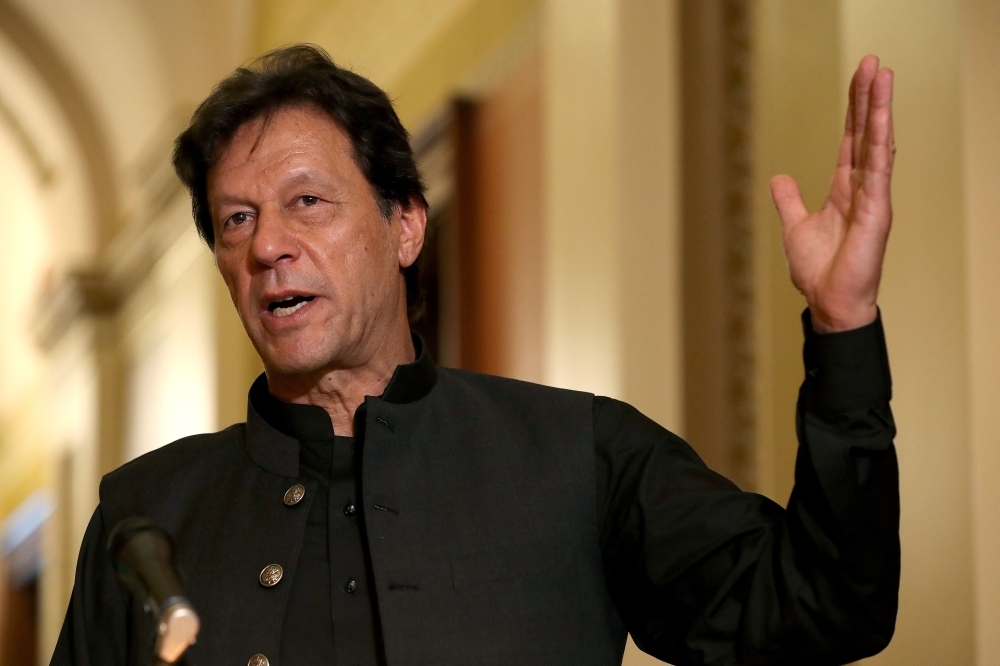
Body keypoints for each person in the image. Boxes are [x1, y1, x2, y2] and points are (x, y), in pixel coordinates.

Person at [51, 45, 899, 666]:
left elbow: (827, 606)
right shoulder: (146, 516)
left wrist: (843, 323)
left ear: (405, 225)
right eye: (237, 219)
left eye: (307, 201)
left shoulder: (579, 455)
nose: (269, 243)